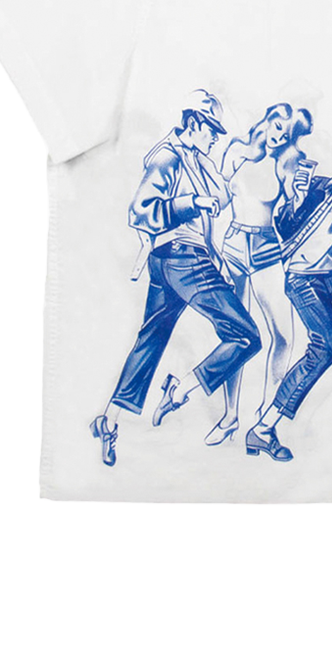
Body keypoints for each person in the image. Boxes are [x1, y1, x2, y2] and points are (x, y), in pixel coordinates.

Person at [89, 92, 261, 467]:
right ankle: (180, 390)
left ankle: (109, 420)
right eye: (211, 130)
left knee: (150, 341)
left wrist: (217, 176)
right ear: (194, 123)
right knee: (247, 336)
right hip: (183, 259)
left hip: (171, 261)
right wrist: (191, 203)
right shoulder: (167, 157)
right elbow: (140, 210)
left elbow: (221, 198)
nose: (215, 138)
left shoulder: (195, 158)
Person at [241, 135, 332, 462]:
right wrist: (297, 199)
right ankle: (263, 428)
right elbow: (284, 226)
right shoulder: (321, 187)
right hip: (304, 277)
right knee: (326, 347)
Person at [191, 103, 312, 445]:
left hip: (265, 247)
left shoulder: (286, 163)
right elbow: (216, 201)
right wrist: (209, 245)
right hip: (232, 245)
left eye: (287, 133)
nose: (279, 136)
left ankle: (265, 417)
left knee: (284, 335)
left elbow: (292, 213)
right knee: (237, 336)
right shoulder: (236, 152)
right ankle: (230, 416)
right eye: (277, 126)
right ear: (267, 121)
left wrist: (299, 196)